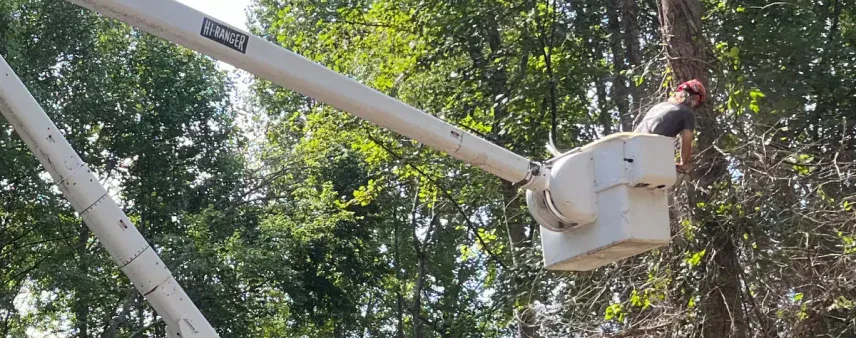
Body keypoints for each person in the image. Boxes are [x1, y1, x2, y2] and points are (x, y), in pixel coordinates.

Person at [634, 79, 706, 173]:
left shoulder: (660, 106)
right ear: (695, 98)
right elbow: (686, 141)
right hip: (650, 152)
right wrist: (683, 163)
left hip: (633, 150)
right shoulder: (688, 113)